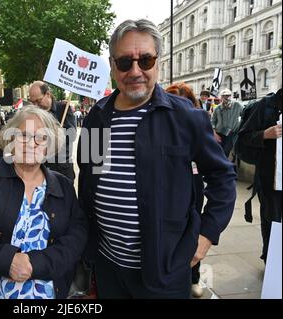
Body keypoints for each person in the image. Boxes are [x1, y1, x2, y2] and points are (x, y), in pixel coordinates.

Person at [77, 19, 236, 299]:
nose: (135, 71)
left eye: (146, 60)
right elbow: (91, 178)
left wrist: (206, 236)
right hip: (107, 266)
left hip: (165, 271)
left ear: (158, 62)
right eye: (125, 62)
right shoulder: (97, 118)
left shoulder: (185, 117)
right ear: (113, 66)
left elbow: (222, 177)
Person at [0, 106, 88, 299]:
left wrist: (36, 263)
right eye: (23, 135)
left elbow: (77, 235)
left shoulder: (63, 186)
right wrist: (8, 260)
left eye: (41, 137)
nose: (31, 144)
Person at [165, 82, 206, 298]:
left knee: (193, 228)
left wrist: (208, 235)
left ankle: (194, 277)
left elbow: (221, 172)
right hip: (167, 190)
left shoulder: (198, 124)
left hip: (194, 184)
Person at [237, 88, 282, 263]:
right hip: (271, 180)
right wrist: (265, 134)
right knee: (272, 222)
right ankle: (272, 263)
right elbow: (241, 141)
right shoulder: (265, 106)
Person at [28, 81, 77, 181]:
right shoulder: (34, 114)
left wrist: (55, 134)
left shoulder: (64, 108)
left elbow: (72, 135)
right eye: (33, 102)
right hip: (41, 166)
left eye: (38, 101)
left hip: (62, 167)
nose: (36, 105)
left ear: (47, 94)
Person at [211, 88, 243, 159]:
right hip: (219, 133)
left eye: (228, 95)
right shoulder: (218, 108)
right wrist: (215, 134)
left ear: (231, 96)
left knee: (225, 152)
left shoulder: (237, 105)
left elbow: (245, 114)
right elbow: (212, 122)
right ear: (221, 97)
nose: (226, 97)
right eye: (224, 96)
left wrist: (240, 126)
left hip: (231, 133)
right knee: (217, 151)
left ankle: (223, 167)